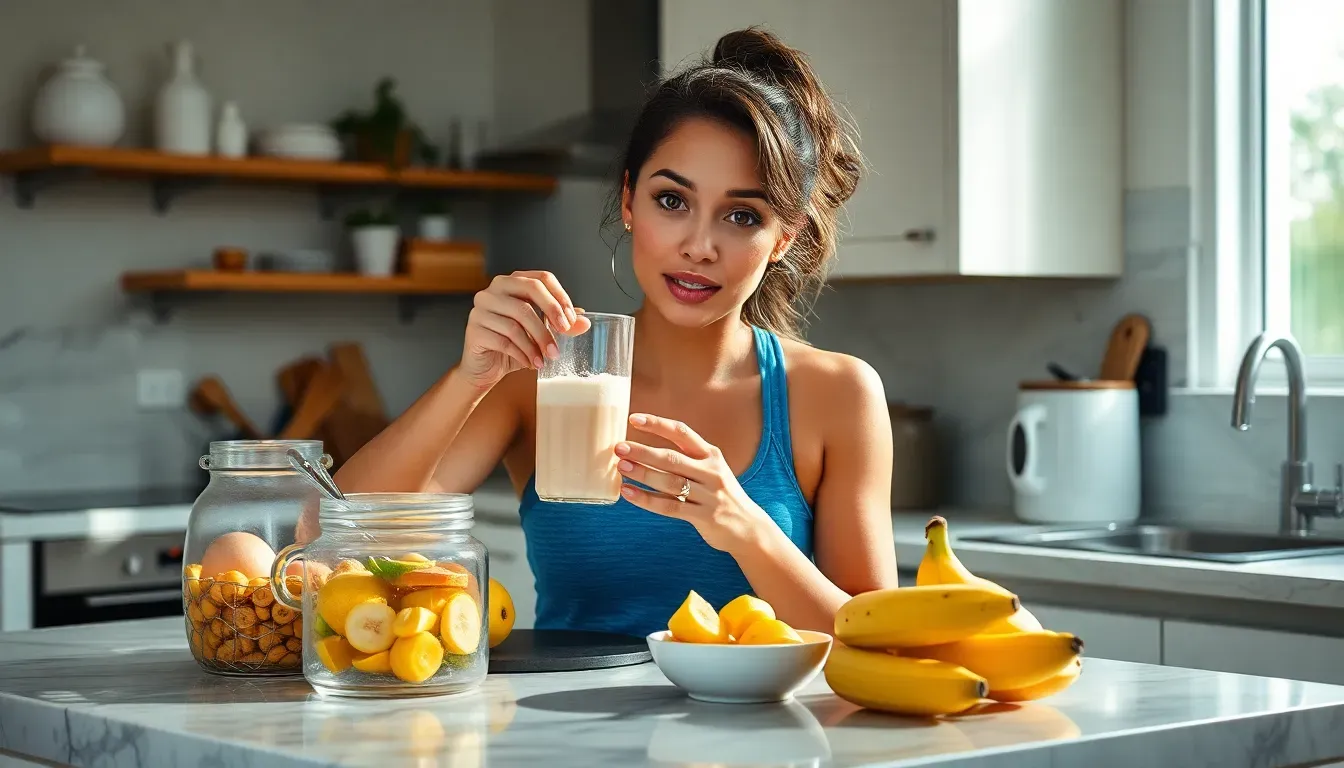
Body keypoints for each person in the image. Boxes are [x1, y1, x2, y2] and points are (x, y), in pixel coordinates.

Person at [328, 27, 899, 637]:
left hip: (770, 705)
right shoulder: (540, 375)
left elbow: (879, 637)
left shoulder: (838, 395)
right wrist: (469, 378)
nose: (699, 246)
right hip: (566, 703)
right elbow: (338, 541)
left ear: (783, 237)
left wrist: (746, 527)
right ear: (629, 200)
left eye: (742, 215)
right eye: (672, 201)